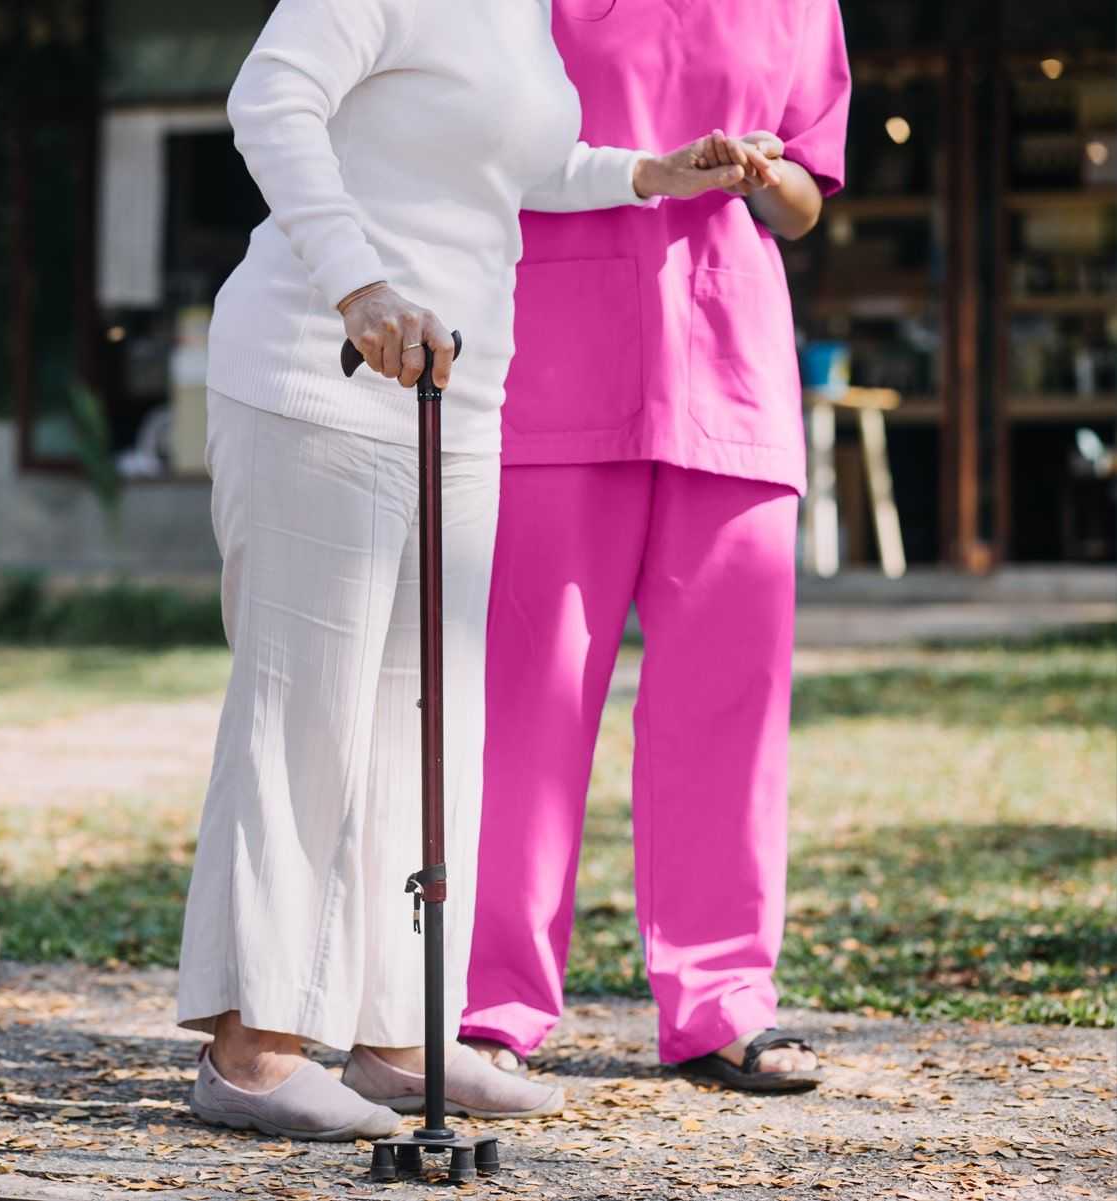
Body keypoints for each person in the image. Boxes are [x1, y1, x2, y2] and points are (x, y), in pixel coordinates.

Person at [174, 0, 764, 1140]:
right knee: (305, 714)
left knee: (421, 722)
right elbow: (269, 100)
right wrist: (358, 282)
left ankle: (400, 1036)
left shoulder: (517, 9)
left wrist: (648, 171)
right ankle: (250, 1052)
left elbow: (519, 163)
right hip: (318, 367)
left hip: (456, 398)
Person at [462, 0, 851, 1094]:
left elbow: (804, 199)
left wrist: (756, 175)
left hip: (728, 364)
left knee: (727, 705)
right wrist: (651, 167)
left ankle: (722, 1005)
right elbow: (484, 144)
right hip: (550, 362)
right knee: (526, 701)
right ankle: (490, 1000)